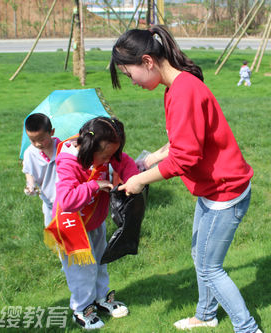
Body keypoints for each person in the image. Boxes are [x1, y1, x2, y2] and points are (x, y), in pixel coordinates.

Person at [110, 25, 262, 333]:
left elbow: (184, 158)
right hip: (212, 190)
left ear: (148, 62)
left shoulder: (183, 92)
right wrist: (151, 158)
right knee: (200, 255)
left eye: (129, 74)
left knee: (210, 266)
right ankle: (206, 315)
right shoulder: (176, 87)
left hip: (225, 193)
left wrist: (140, 181)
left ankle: (247, 329)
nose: (132, 82)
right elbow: (183, 142)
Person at [47, 116, 139, 330]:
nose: (109, 159)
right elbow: (67, 200)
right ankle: (82, 309)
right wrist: (94, 185)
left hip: (94, 222)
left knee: (100, 261)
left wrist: (133, 179)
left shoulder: (104, 153)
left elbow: (124, 162)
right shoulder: (68, 161)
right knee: (82, 269)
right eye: (105, 154)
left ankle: (100, 298)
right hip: (71, 225)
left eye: (111, 154)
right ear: (89, 148)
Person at [22, 113, 60, 227]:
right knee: (54, 235)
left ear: (51, 132)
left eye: (42, 139)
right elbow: (29, 172)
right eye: (32, 140)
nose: (37, 144)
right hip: (48, 203)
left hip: (67, 202)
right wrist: (30, 185)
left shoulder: (63, 148)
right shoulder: (29, 153)